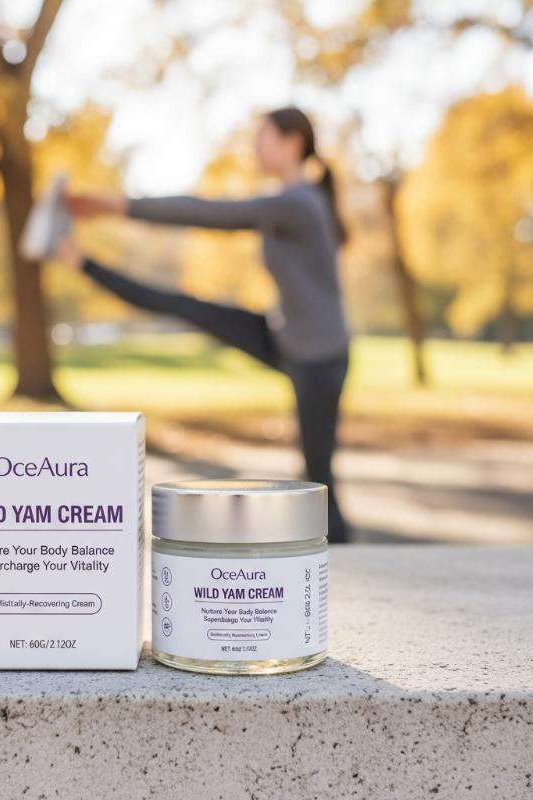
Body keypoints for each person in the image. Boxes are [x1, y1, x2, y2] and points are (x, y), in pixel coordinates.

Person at [58, 107, 352, 542]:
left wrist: (116, 205)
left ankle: (343, 556)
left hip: (320, 356)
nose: (254, 147)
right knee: (187, 307)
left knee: (318, 479)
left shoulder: (298, 202)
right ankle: (79, 260)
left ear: (292, 144)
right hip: (285, 337)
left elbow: (207, 213)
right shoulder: (291, 201)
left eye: (262, 138)